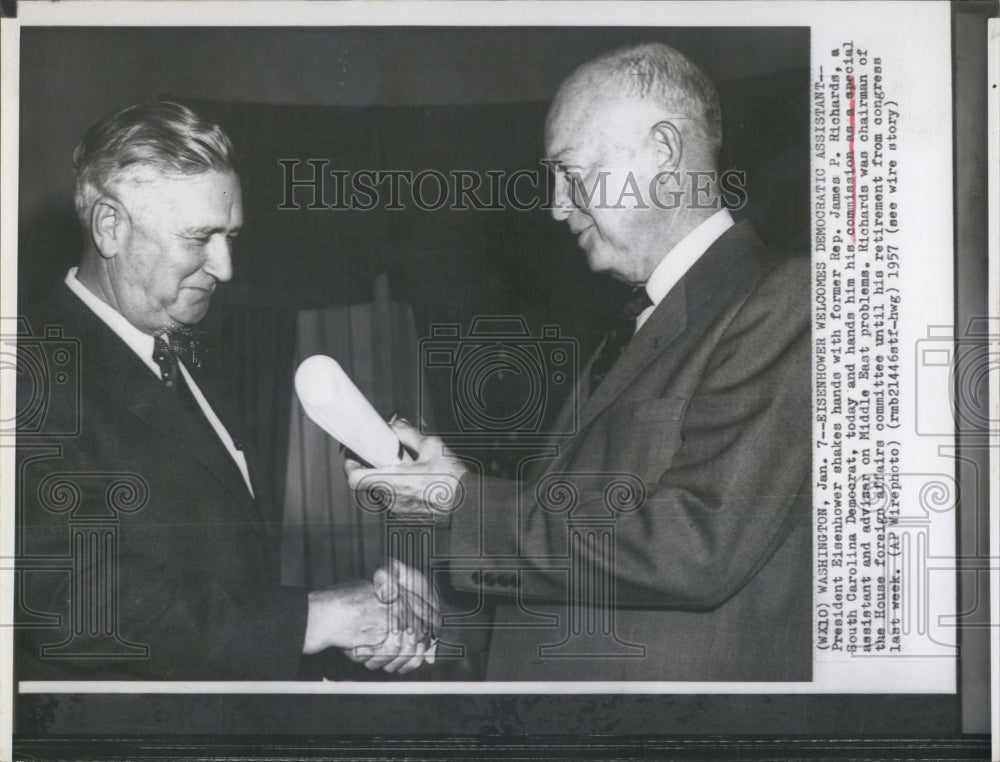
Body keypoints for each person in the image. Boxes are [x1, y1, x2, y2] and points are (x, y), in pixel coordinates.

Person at [347, 42, 812, 681]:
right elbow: (582, 559)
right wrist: (443, 624)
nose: (557, 206)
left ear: (664, 152)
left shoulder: (786, 299)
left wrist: (460, 503)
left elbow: (697, 546)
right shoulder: (630, 328)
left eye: (570, 173)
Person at [16, 102, 437, 681]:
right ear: (110, 226)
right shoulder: (28, 368)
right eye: (199, 238)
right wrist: (309, 620)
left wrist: (351, 614)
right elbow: (66, 596)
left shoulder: (185, 346)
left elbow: (215, 577)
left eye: (231, 236)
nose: (226, 267)